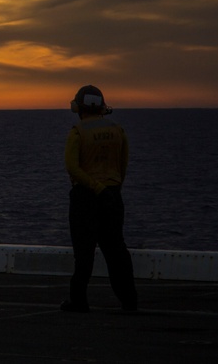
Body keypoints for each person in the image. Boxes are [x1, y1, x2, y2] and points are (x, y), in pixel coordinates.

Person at [60, 84, 138, 313]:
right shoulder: (118, 130)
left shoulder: (78, 132)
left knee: (83, 251)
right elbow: (122, 164)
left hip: (86, 196)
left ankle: (79, 301)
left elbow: (72, 167)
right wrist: (113, 190)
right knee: (116, 250)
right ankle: (129, 300)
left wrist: (95, 187)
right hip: (113, 194)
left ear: (79, 106)